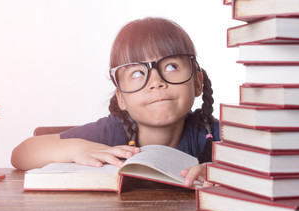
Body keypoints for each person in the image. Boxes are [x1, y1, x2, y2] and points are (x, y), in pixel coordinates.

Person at [11, 17, 220, 188]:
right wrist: (76, 149)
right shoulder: (110, 133)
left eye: (172, 67)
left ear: (197, 83)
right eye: (138, 72)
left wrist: (222, 173)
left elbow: (253, 163)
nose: (156, 82)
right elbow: (21, 154)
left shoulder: (211, 133)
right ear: (121, 97)